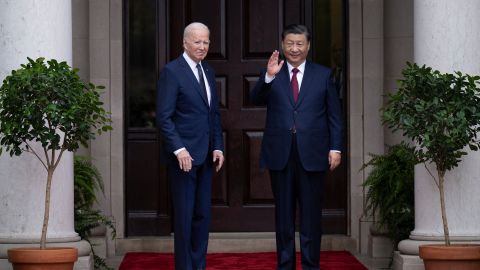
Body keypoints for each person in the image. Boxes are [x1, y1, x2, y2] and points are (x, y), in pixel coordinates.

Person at [250, 24, 344, 270]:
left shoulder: (323, 75)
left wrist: (336, 147)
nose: (294, 48)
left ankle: (311, 265)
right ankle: (286, 265)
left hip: (313, 154)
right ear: (282, 44)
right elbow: (255, 99)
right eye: (289, 43)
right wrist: (268, 77)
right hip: (281, 154)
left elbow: (335, 115)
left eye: (299, 44)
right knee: (284, 218)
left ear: (308, 45)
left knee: (311, 217)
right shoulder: (273, 72)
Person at [156, 22, 224, 270]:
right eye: (197, 42)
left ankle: (199, 266)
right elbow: (164, 116)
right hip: (183, 158)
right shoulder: (172, 72)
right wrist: (179, 149)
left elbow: (213, 114)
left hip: (206, 155)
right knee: (184, 219)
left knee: (202, 216)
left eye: (206, 42)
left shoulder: (209, 71)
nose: (202, 46)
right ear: (184, 43)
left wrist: (218, 146)